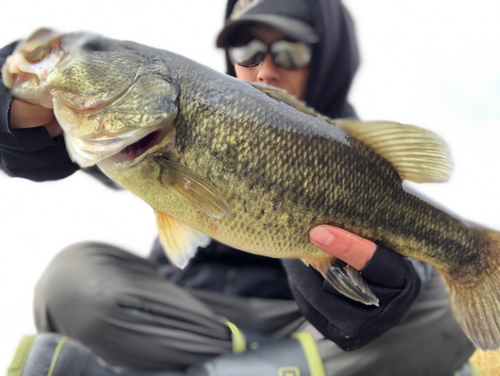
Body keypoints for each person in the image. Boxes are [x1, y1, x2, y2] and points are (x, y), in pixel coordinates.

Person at [1, 0, 476, 375]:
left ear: (329, 56)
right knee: (70, 281)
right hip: (189, 315)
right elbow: (32, 149)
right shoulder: (140, 129)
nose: (264, 69)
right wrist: (13, 103)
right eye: (247, 51)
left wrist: (376, 292)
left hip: (306, 327)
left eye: (290, 51)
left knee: (441, 307)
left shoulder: (359, 155)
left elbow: (401, 262)